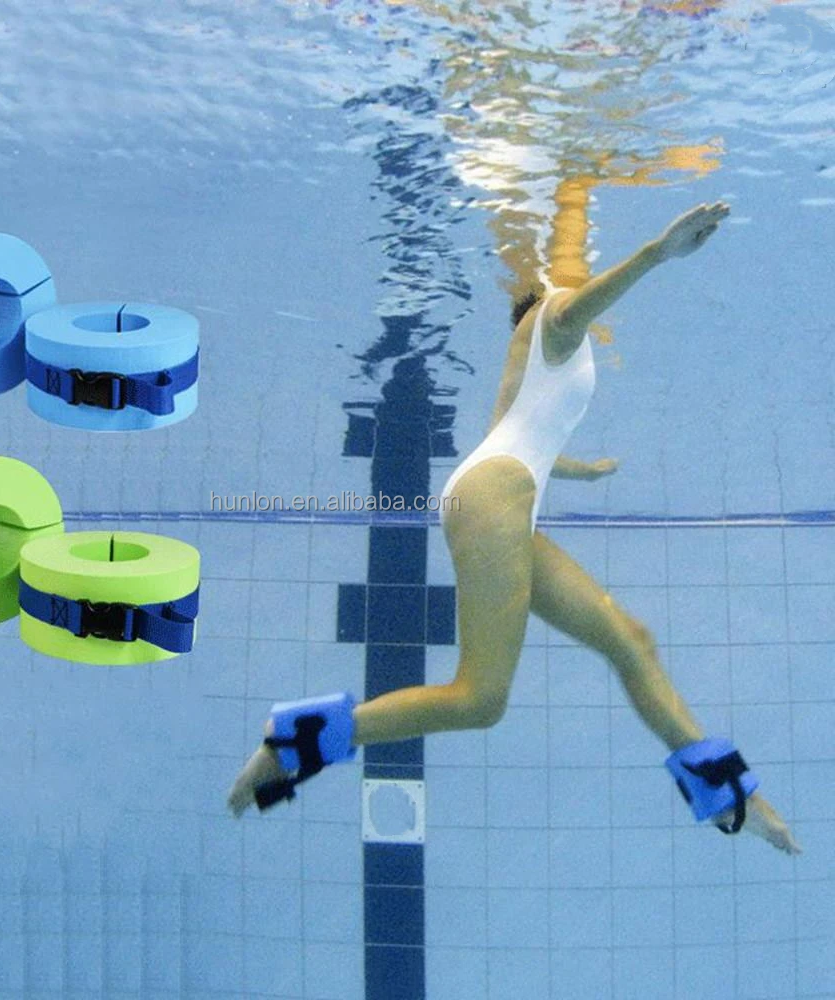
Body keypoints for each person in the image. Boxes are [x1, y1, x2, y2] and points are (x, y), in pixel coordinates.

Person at [227, 201, 801, 855]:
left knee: (630, 641)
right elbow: (576, 301)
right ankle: (295, 743)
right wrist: (658, 252)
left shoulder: (540, 350)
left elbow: (518, 433)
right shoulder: (553, 317)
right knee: (479, 699)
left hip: (502, 498)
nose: (577, 258)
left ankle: (729, 795)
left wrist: (580, 469)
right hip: (494, 501)